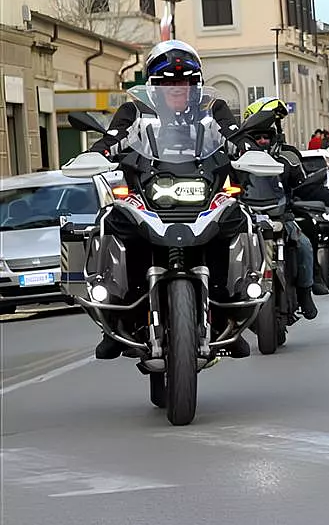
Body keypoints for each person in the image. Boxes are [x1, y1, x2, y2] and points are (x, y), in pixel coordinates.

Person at [89, 40, 258, 359]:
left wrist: (248, 149)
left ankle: (227, 314)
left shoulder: (212, 111)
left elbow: (234, 134)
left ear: (197, 84)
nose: (177, 88)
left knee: (238, 218)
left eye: (185, 81)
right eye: (168, 82)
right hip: (147, 198)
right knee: (110, 221)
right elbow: (114, 136)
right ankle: (118, 314)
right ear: (154, 85)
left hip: (203, 197)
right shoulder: (134, 111)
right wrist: (98, 152)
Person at [241, 97, 323, 318]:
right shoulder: (235, 155)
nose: (264, 140)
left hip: (281, 216)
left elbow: (303, 185)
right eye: (258, 135)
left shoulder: (288, 155)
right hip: (247, 219)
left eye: (268, 133)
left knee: (304, 244)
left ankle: (306, 292)